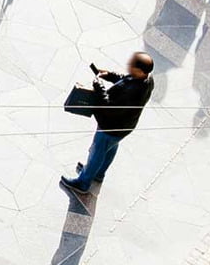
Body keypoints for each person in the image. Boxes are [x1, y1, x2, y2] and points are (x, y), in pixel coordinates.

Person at [61, 52, 152, 196]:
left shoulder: (134, 92)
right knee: (110, 149)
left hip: (111, 126)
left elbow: (109, 106)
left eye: (132, 65)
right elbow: (125, 79)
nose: (128, 66)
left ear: (140, 71)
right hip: (123, 127)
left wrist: (99, 86)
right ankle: (98, 174)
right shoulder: (146, 79)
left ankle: (83, 182)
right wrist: (109, 75)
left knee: (97, 152)